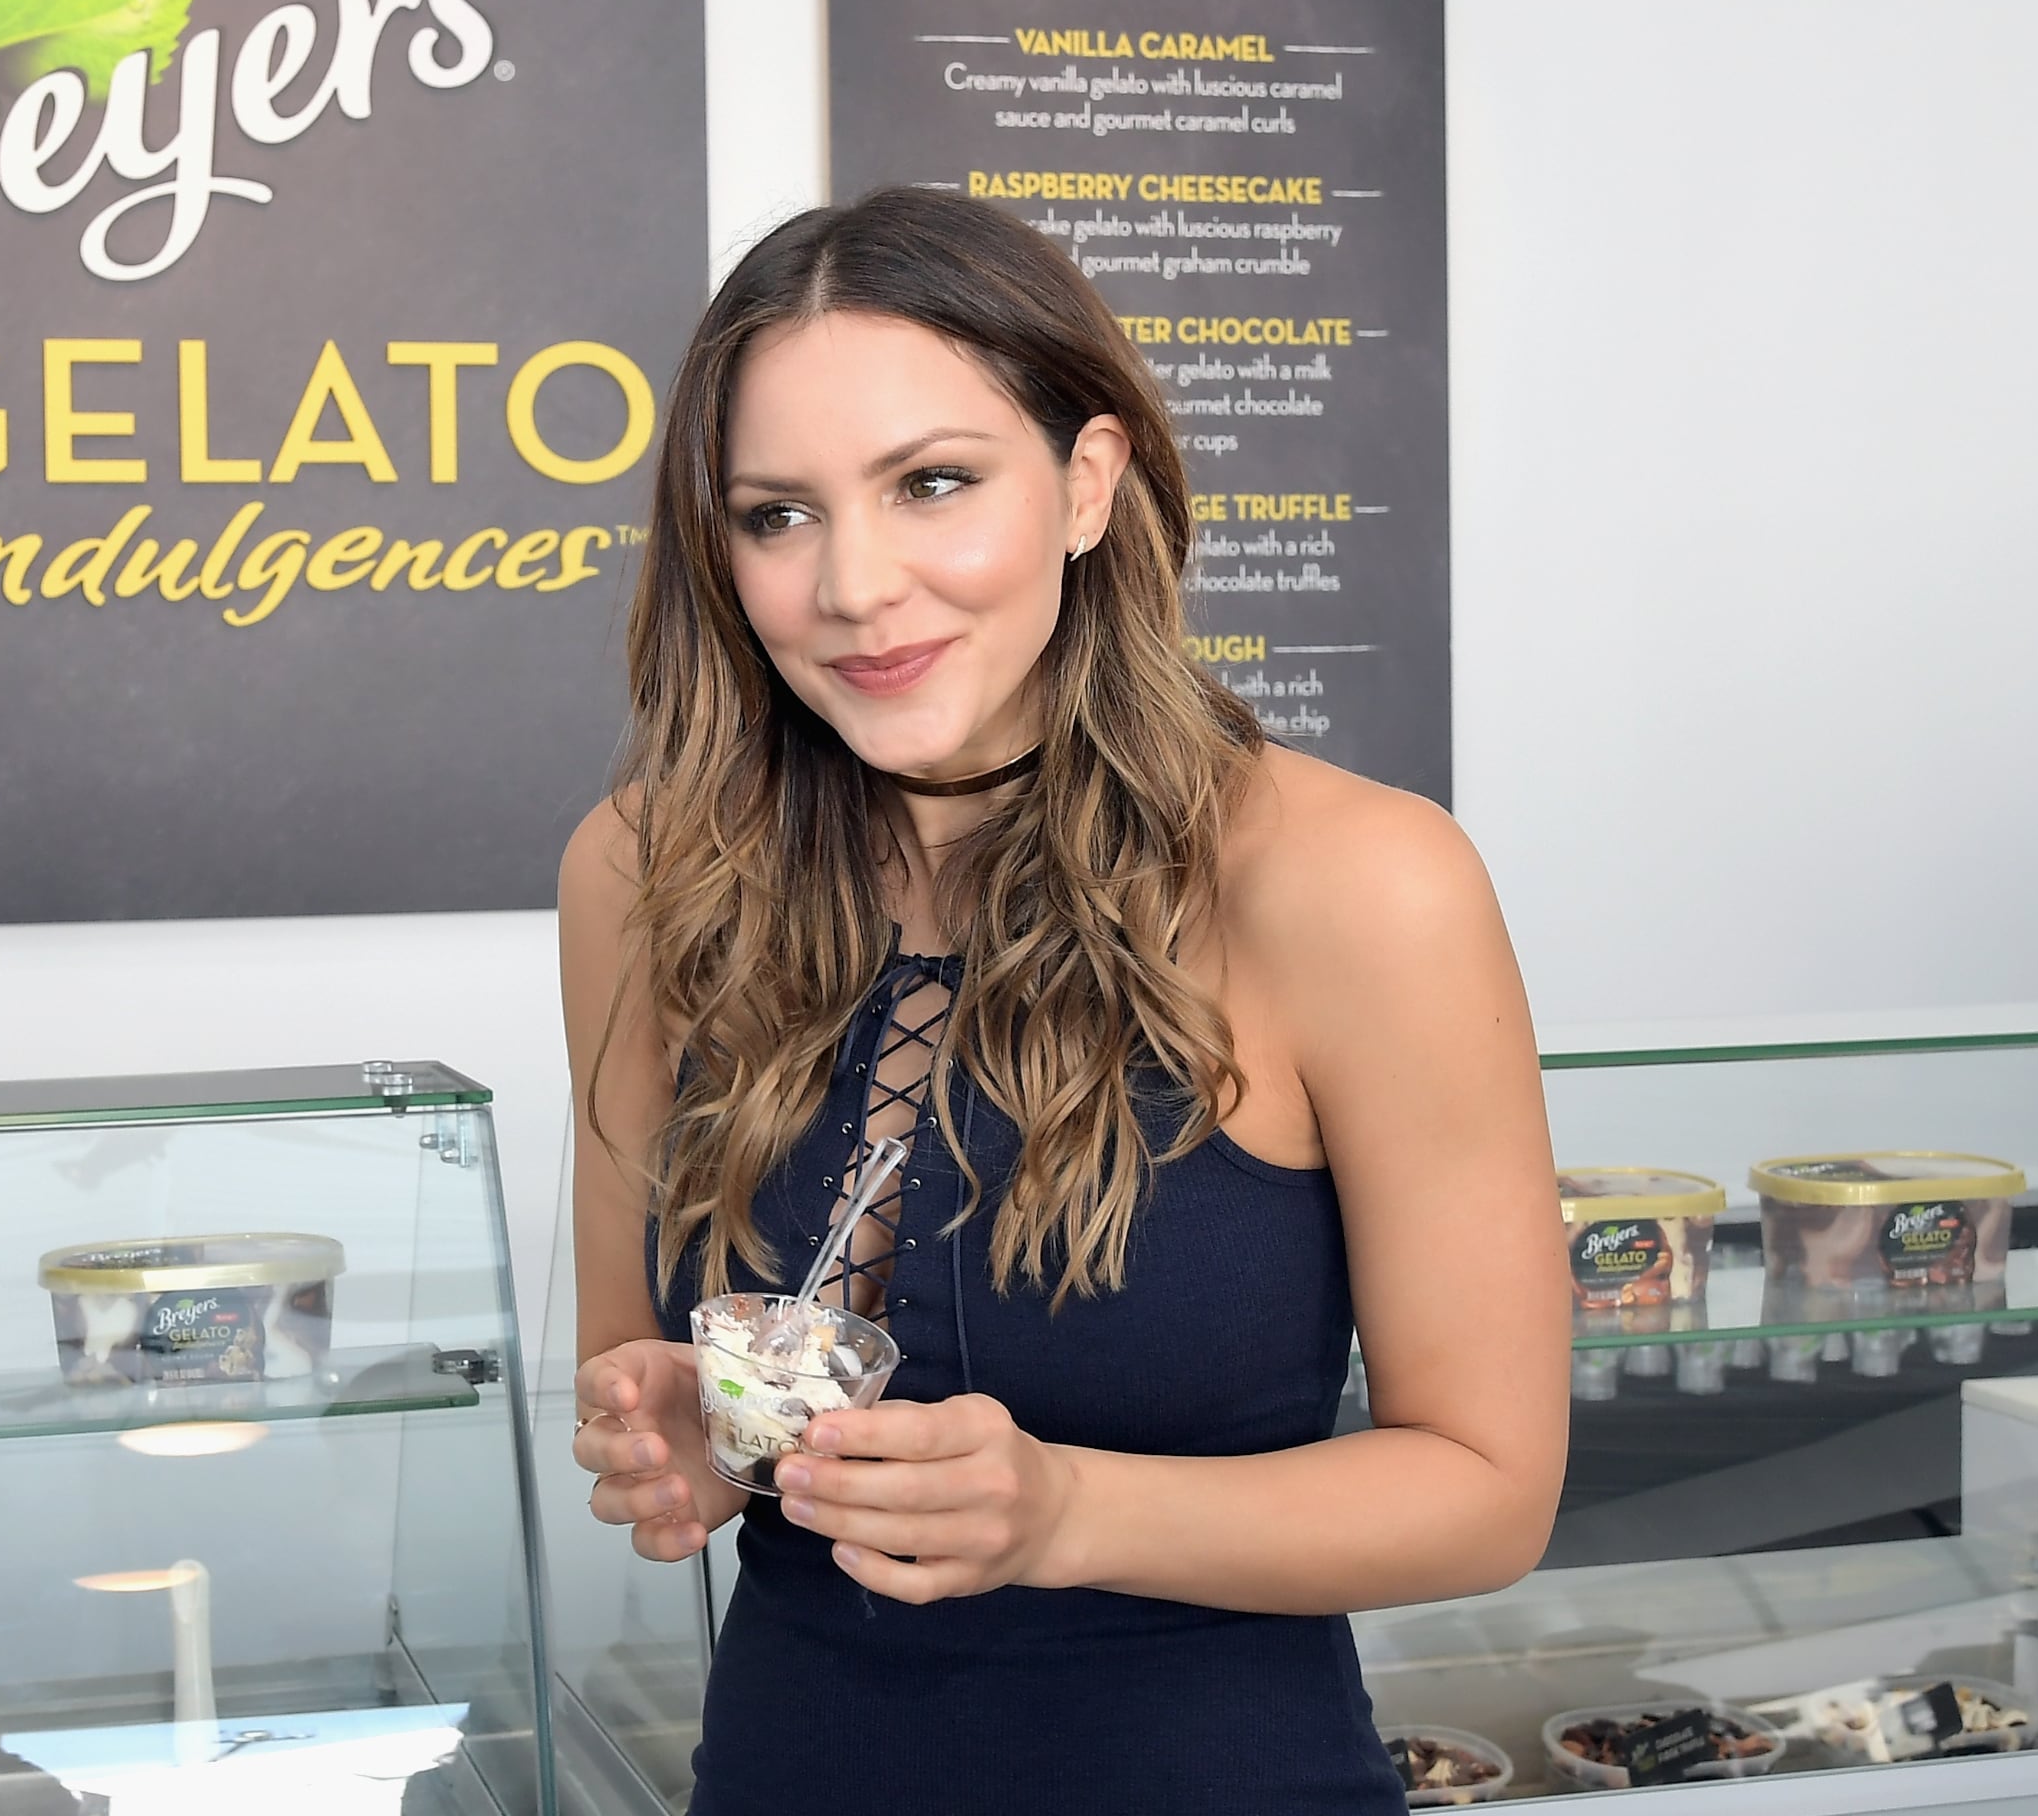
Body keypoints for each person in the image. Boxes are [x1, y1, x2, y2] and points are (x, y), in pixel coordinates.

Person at [561, 187, 1565, 1810]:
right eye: (779, 514)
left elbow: (1488, 1493)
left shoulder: (1361, 882)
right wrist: (697, 1436)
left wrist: (1066, 1513)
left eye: (932, 483)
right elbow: (642, 1355)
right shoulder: (642, 872)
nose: (856, 585)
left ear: (1088, 484)